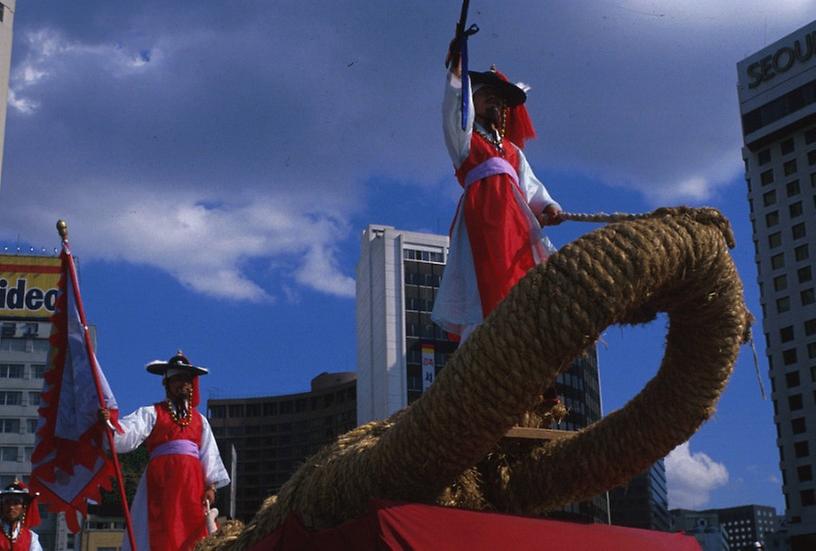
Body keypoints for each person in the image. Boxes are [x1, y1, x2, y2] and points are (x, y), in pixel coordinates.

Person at [432, 42, 563, 343]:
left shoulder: (512, 151)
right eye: (486, 95)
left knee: (523, 277)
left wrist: (548, 206)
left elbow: (530, 186)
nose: (495, 102)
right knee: (484, 283)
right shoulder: (465, 142)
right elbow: (453, 107)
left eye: (500, 100)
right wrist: (456, 71)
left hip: (516, 222)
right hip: (484, 218)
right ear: (471, 100)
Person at [99, 351, 229, 551]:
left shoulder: (200, 420)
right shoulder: (152, 413)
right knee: (159, 529)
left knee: (192, 530)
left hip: (192, 484)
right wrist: (109, 424)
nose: (182, 385)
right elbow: (127, 433)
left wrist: (210, 486)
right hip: (161, 482)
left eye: (186, 380)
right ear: (167, 384)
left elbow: (208, 454)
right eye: (176, 380)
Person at [0, 482, 42, 551]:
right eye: (7, 502)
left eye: (16, 503)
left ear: (23, 507)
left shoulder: (31, 537)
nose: (11, 507)